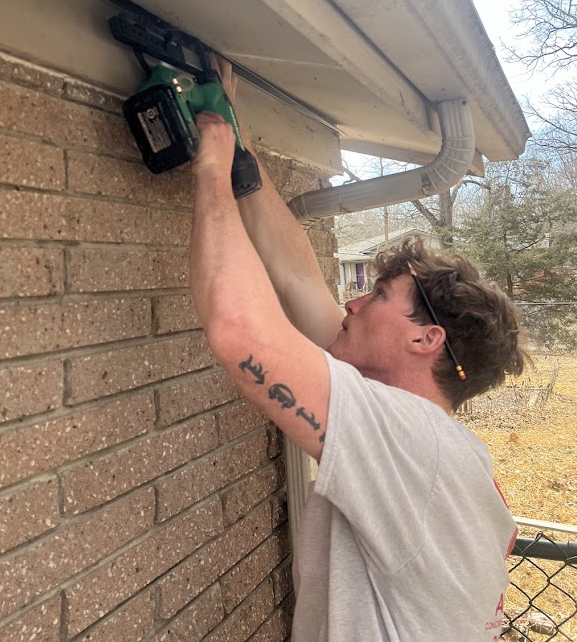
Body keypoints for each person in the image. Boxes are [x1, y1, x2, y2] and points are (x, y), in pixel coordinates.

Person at [189, 59, 530, 642]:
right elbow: (298, 276)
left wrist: (211, 166)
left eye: (378, 295)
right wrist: (240, 147)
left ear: (426, 339)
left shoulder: (408, 441)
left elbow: (239, 330)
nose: (351, 302)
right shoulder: (439, 445)